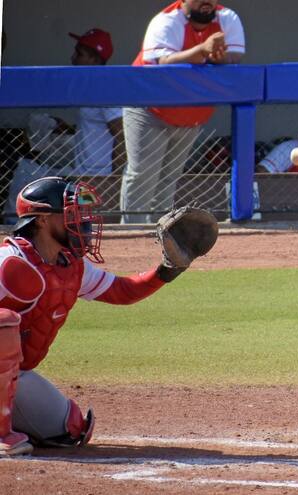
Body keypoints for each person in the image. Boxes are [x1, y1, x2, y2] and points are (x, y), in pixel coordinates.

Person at [0, 177, 203, 457]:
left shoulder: (70, 266)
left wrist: (166, 271)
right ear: (43, 221)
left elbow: (121, 291)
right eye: (71, 215)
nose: (82, 223)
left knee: (70, 430)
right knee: (3, 321)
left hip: (14, 376)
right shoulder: (11, 264)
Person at [120, 0, 245, 223]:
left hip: (189, 114)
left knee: (169, 177)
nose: (207, 2)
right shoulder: (167, 21)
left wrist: (216, 56)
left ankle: (161, 231)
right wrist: (201, 50)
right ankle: (132, 230)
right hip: (149, 108)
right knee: (143, 174)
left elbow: (234, 57)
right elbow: (162, 63)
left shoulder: (227, 18)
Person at [56, 29, 126, 177]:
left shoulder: (104, 89)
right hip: (87, 175)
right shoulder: (91, 86)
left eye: (79, 54)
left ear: (94, 60)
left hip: (101, 177)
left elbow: (122, 135)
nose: (73, 58)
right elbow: (96, 126)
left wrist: (114, 181)